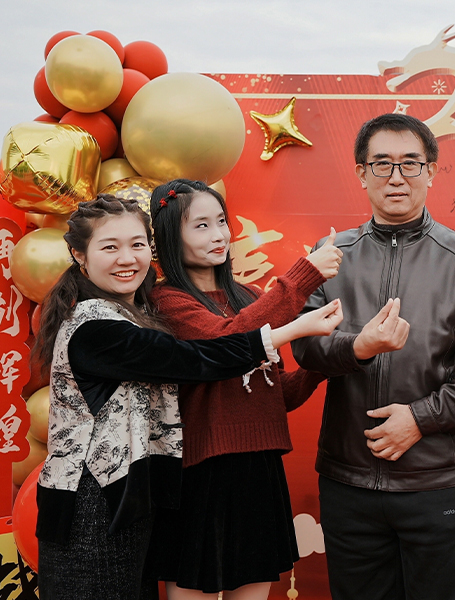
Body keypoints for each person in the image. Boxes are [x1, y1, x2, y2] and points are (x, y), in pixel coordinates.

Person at [32, 196, 342, 600]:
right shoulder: (96, 326)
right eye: (110, 247)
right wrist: (292, 329)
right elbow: (196, 358)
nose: (127, 258)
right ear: (80, 255)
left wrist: (337, 356)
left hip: (129, 500)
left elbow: (243, 374)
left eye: (137, 244)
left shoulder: (134, 315)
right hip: (92, 506)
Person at [290, 113, 455, 600]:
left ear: (431, 171)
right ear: (361, 172)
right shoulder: (331, 255)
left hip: (437, 478)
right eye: (382, 164)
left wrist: (419, 419)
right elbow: (305, 347)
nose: (396, 177)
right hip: (348, 477)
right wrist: (359, 347)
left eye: (410, 163)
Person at [144, 179, 342, 599]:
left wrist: (330, 359)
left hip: (259, 469)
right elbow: (227, 342)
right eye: (201, 225)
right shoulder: (167, 301)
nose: (218, 234)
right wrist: (305, 276)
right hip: (200, 473)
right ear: (169, 237)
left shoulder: (250, 296)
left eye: (221, 221)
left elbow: (278, 394)